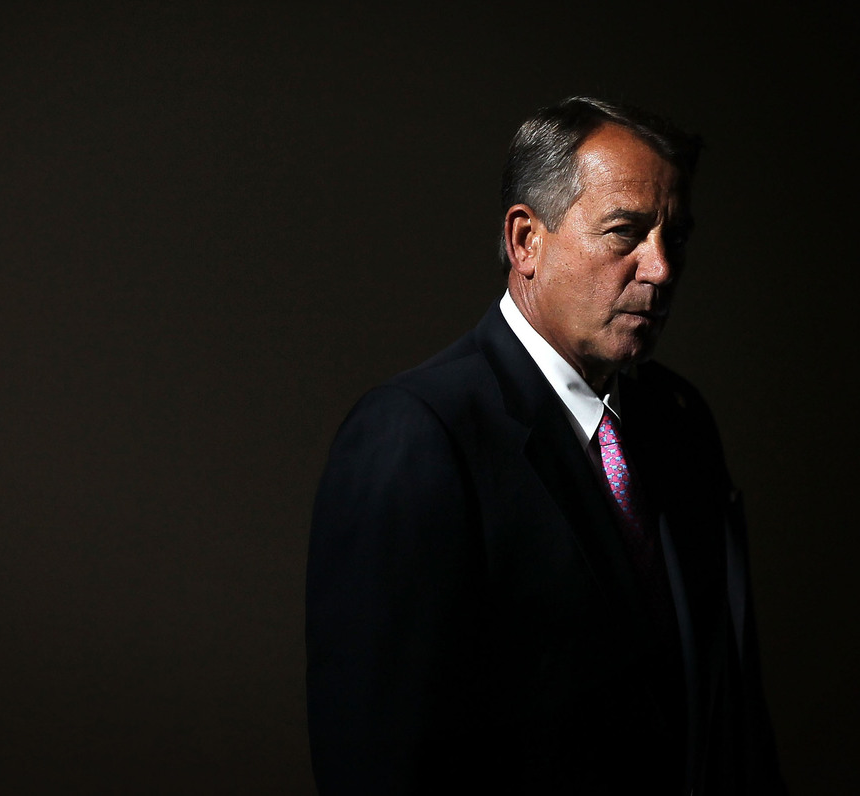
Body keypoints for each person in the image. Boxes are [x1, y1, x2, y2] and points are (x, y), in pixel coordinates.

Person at [306, 97, 785, 794]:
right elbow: (377, 759)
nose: (659, 269)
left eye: (673, 238)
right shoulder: (414, 436)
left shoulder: (679, 423)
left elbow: (724, 708)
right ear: (525, 240)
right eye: (625, 233)